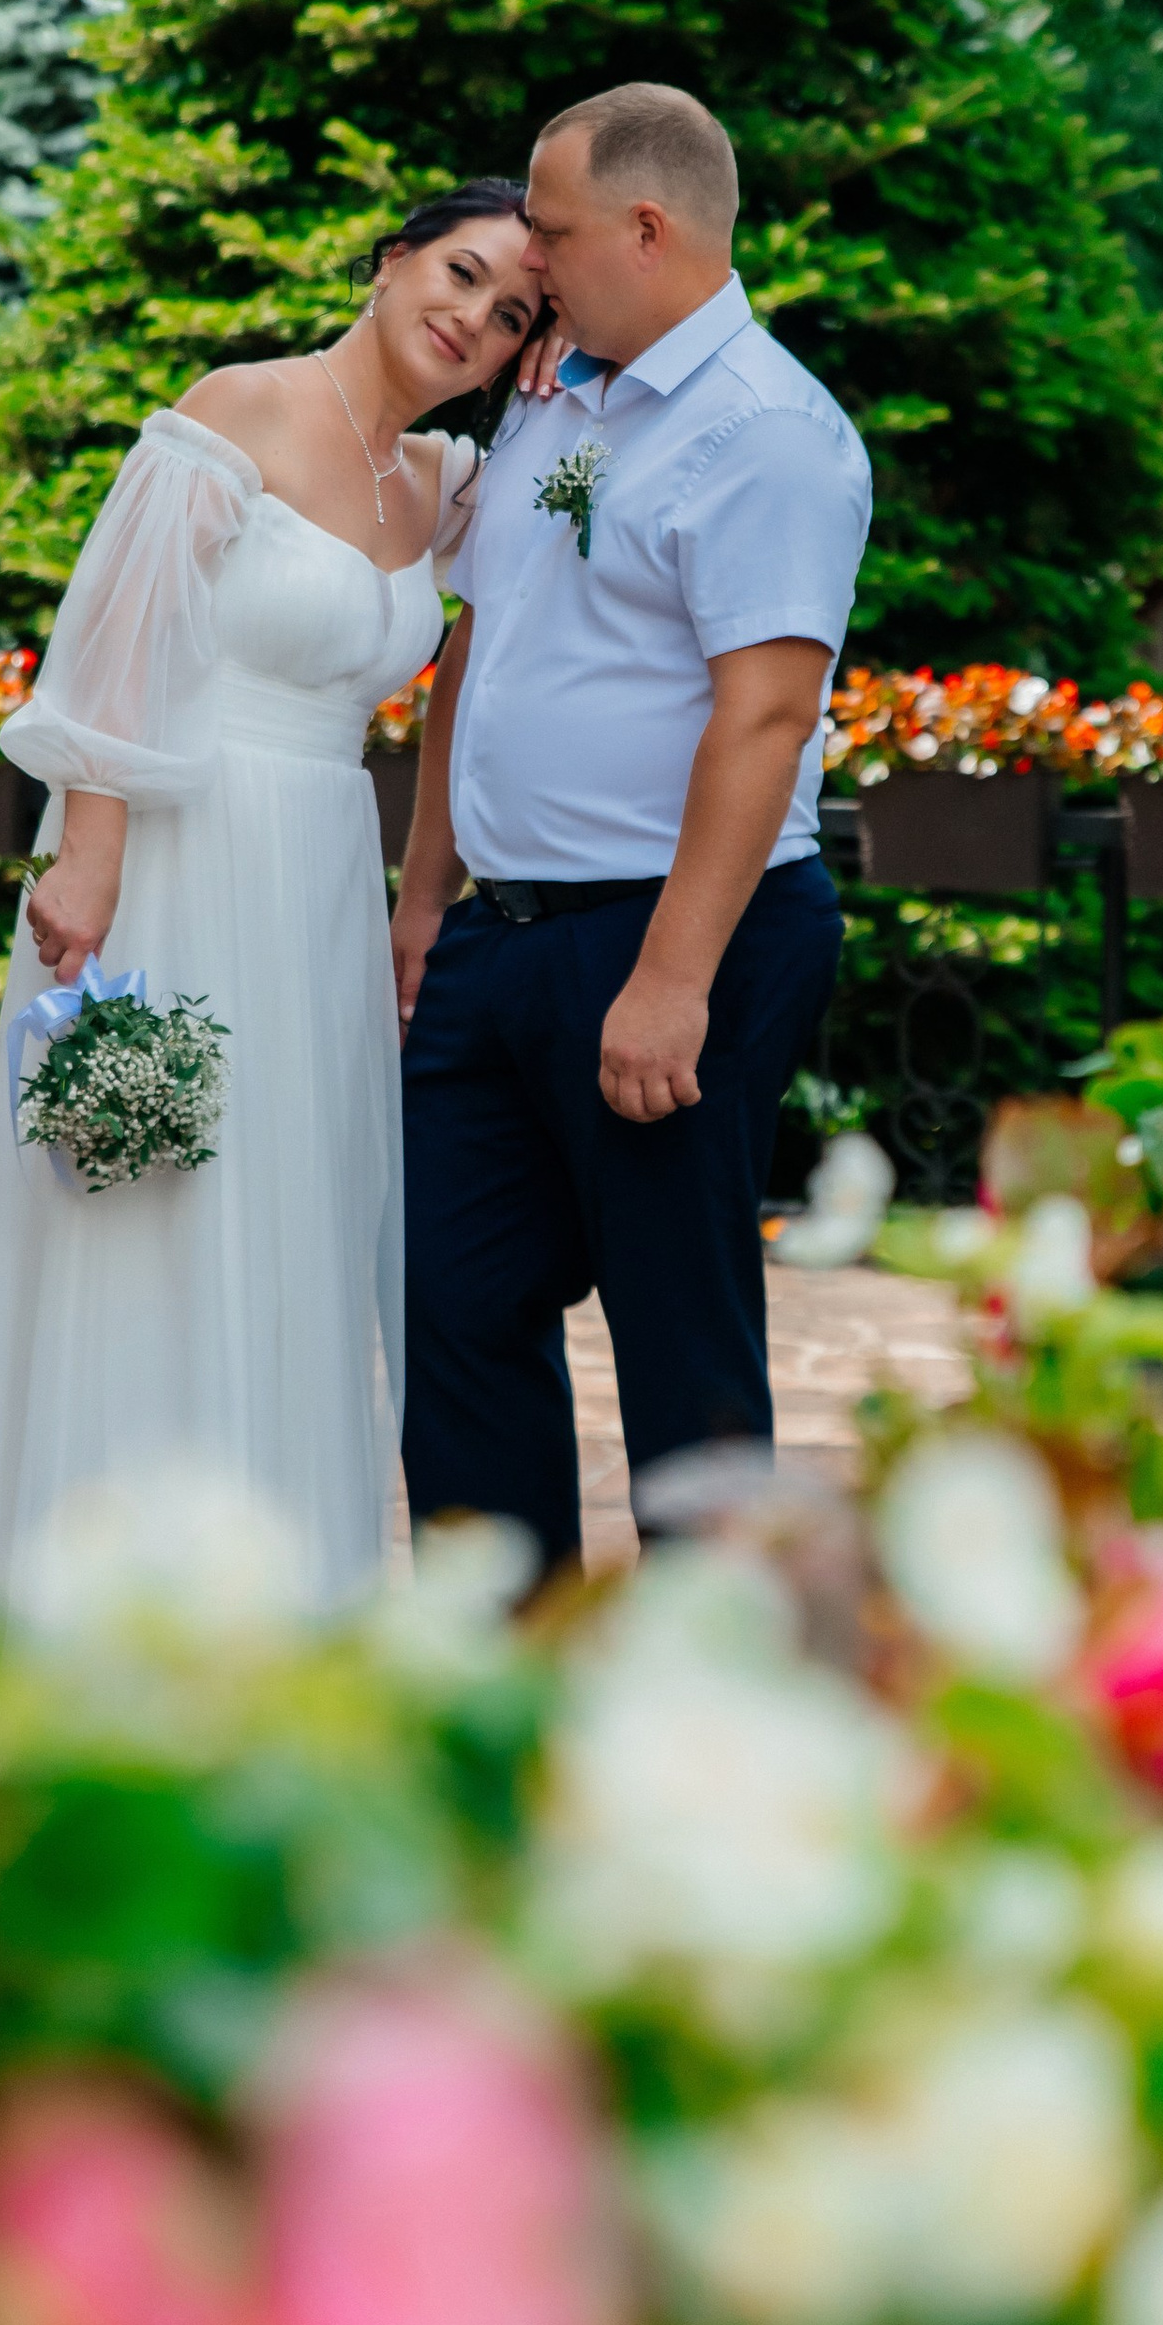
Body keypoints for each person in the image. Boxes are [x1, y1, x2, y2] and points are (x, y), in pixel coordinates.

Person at [0, 181, 544, 1606]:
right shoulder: (240, 408)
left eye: (513, 313)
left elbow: (503, 632)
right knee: (144, 1212)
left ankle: (268, 1607)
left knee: (292, 1220)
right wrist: (91, 856)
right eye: (460, 273)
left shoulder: (449, 483)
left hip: (321, 882)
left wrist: (421, 894)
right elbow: (117, 638)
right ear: (390, 261)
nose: (473, 317)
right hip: (173, 858)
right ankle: (86, 1600)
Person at [393, 82, 873, 1579]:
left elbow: (767, 720)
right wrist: (425, 901)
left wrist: (670, 981)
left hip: (680, 937)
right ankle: (505, 1680)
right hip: (497, 942)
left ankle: (705, 1706)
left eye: (552, 228)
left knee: (682, 1352)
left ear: (647, 229)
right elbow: (480, 642)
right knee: (452, 1310)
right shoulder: (558, 397)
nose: (530, 259)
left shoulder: (772, 436)